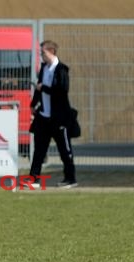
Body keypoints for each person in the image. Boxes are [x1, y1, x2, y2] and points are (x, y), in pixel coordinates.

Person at [29, 40, 77, 189]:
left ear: (51, 52)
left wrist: (44, 88)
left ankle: (70, 178)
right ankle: (34, 179)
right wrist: (33, 104)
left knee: (65, 150)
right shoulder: (44, 68)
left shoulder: (61, 69)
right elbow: (38, 88)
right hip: (44, 117)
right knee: (39, 150)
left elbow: (62, 90)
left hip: (59, 118)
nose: (41, 55)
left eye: (43, 52)